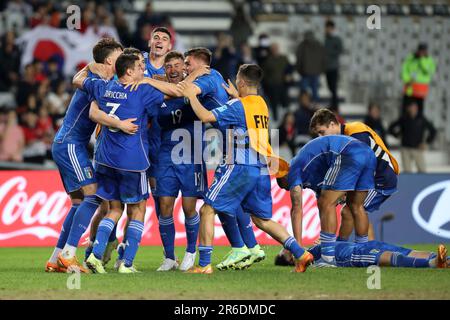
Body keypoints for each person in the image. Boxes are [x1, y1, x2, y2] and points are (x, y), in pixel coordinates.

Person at [178, 64, 314, 274]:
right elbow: (246, 113)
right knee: (262, 219)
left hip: (238, 166)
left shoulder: (237, 106)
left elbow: (205, 117)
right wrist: (237, 98)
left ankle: (204, 264)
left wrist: (192, 96)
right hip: (260, 168)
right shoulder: (261, 103)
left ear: (241, 82)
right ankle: (300, 253)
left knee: (207, 209)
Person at [46, 38, 135, 273]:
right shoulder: (97, 83)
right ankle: (68, 255)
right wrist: (121, 124)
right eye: (119, 56)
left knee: (78, 202)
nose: (122, 60)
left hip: (67, 143)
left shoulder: (95, 78)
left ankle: (56, 259)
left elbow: (79, 78)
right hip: (71, 145)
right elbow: (95, 113)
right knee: (93, 195)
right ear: (108, 60)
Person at [78, 53, 164, 273]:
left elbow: (79, 79)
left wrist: (90, 66)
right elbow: (175, 94)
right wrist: (151, 81)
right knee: (138, 209)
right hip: (132, 161)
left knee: (114, 209)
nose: (142, 71)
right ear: (129, 71)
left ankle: (96, 256)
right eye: (139, 67)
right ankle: (126, 263)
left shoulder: (104, 88)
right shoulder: (142, 91)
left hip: (105, 159)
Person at [277, 135, 377, 267]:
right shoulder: (312, 174)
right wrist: (324, 237)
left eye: (286, 186)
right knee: (356, 206)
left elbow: (296, 208)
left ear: (285, 177)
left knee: (326, 202)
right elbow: (325, 209)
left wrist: (299, 249)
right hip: (368, 153)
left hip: (347, 152)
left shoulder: (293, 169)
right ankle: (363, 252)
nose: (289, 189)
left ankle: (328, 259)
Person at [153, 51, 207, 271]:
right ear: (164, 70)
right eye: (169, 66)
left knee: (189, 207)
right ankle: (168, 257)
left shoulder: (195, 91)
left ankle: (190, 252)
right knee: (164, 206)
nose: (173, 70)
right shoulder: (160, 94)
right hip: (165, 157)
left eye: (177, 65)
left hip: (191, 156)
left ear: (184, 68)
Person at [309, 108, 399, 241]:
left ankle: (345, 248)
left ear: (333, 124)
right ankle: (364, 251)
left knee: (351, 210)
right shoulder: (338, 142)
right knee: (356, 211)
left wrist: (343, 192)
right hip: (372, 177)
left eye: (322, 132)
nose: (320, 138)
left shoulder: (356, 132)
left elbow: (364, 166)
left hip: (382, 179)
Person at [276, 242, 448, 269]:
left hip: (359, 245)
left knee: (403, 250)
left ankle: (445, 260)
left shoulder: (310, 250)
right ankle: (432, 264)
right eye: (286, 250)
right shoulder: (308, 260)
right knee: (389, 256)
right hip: (350, 255)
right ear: (290, 259)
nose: (291, 246)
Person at [388, 102, 436, 173]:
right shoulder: (404, 118)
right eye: (411, 107)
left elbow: (433, 131)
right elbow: (391, 128)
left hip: (417, 148)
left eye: (414, 107)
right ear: (408, 108)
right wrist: (397, 135)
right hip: (406, 148)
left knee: (422, 170)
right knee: (407, 171)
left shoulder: (421, 119)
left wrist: (426, 143)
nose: (413, 109)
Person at [401, 43, 436, 116]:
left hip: (420, 90)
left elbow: (428, 71)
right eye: (420, 50)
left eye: (423, 51)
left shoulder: (429, 60)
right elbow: (404, 69)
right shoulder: (411, 58)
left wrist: (422, 59)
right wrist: (407, 80)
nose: (421, 53)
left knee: (419, 111)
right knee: (406, 109)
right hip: (410, 88)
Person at [261, 42, 291, 121]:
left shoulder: (283, 58)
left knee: (285, 103)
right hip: (272, 85)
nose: (275, 50)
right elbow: (264, 73)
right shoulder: (268, 60)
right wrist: (267, 83)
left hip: (283, 84)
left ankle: (287, 119)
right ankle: (276, 120)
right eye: (273, 49)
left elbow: (290, 68)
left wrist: (288, 75)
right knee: (274, 103)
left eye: (276, 49)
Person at [295, 31, 325, 102]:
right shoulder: (319, 44)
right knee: (314, 90)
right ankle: (315, 105)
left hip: (305, 72)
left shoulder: (302, 45)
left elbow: (298, 59)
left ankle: (303, 105)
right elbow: (323, 58)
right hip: (315, 72)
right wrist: (321, 70)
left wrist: (299, 70)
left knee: (304, 90)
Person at [324, 20, 343, 112]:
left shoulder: (336, 39)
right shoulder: (325, 39)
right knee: (330, 86)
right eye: (327, 28)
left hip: (334, 67)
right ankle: (333, 104)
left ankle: (335, 106)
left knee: (333, 87)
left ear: (333, 29)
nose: (328, 30)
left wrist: (329, 53)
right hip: (326, 67)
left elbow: (340, 50)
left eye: (330, 28)